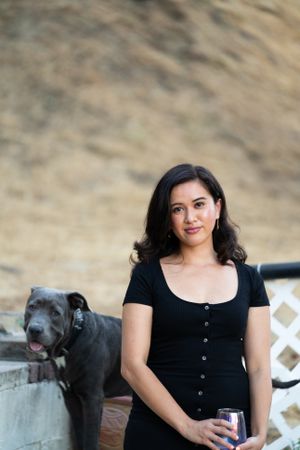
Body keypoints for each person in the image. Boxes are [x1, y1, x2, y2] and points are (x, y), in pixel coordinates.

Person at [121, 163, 272, 450]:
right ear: (167, 219)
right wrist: (187, 426)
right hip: (156, 433)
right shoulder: (147, 276)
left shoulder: (249, 279)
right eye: (177, 209)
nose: (190, 218)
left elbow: (259, 367)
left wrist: (260, 433)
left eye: (199, 204)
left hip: (229, 437)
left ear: (217, 207)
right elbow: (132, 366)